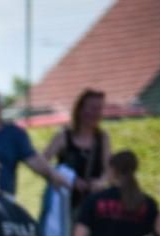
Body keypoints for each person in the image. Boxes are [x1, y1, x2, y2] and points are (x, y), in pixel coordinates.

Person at [0, 90, 71, 198]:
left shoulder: (14, 134)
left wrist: (53, 175)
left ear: (0, 108)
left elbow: (33, 159)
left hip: (3, 199)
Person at [42, 89, 110, 223]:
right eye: (92, 108)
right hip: (65, 205)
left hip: (94, 205)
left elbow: (109, 169)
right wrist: (68, 179)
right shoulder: (63, 136)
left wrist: (100, 182)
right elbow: (42, 163)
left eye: (99, 109)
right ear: (80, 109)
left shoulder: (102, 138)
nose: (95, 113)